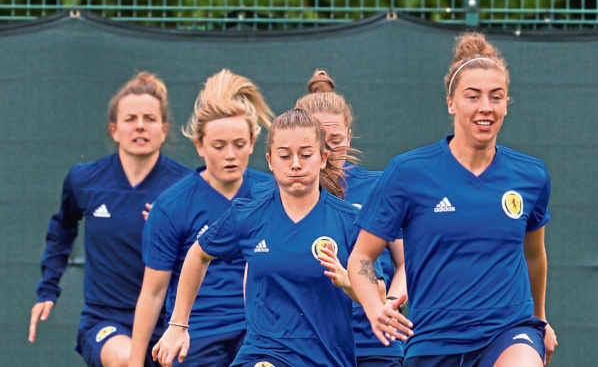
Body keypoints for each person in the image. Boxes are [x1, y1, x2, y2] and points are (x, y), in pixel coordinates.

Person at [348, 32, 559, 367]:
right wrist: (375, 308)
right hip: (433, 341)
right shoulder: (407, 172)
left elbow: (534, 256)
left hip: (509, 332)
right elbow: (361, 256)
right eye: (473, 97)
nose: (485, 108)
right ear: (451, 102)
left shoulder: (530, 175)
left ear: (506, 104)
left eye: (496, 97)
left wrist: (540, 319)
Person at [152, 108, 383, 367]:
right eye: (284, 156)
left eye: (306, 155)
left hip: (328, 358)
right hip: (264, 354)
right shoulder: (248, 215)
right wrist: (178, 325)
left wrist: (348, 282)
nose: (295, 164)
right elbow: (198, 253)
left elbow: (379, 294)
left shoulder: (350, 221)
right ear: (270, 160)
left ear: (323, 158)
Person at [28, 72, 192, 367]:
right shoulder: (84, 179)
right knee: (126, 360)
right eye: (130, 119)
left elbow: (202, 250)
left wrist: (168, 226)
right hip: (105, 319)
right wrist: (48, 289)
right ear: (114, 130)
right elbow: (61, 229)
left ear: (164, 129)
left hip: (168, 321)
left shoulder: (185, 186)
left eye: (150, 118)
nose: (140, 125)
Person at [129, 69, 274, 367]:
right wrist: (135, 363)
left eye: (238, 144)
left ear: (253, 141)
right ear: (199, 145)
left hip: (260, 334)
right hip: (196, 336)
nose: (230, 155)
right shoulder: (171, 206)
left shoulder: (273, 194)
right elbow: (153, 291)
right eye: (219, 146)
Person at [296, 70, 407, 366]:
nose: (329, 153)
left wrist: (387, 306)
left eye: (336, 140)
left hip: (375, 344)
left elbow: (405, 262)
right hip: (306, 346)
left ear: (349, 135)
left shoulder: (378, 187)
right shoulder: (279, 195)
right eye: (319, 141)